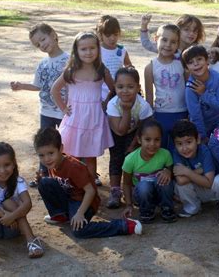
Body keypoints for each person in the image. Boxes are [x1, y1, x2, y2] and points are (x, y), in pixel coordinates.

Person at [34, 127, 142, 238]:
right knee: (44, 182)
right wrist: (41, 180)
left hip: (85, 202)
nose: (46, 159)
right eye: (41, 155)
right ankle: (61, 216)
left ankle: (124, 225)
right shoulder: (52, 163)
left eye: (50, 153)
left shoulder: (73, 167)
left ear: (61, 149)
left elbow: (90, 191)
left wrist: (80, 213)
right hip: (71, 197)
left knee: (79, 231)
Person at [51, 31, 115, 185]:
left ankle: (90, 185)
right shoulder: (71, 71)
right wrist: (63, 108)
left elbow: (113, 88)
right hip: (75, 118)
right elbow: (55, 90)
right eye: (83, 49)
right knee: (70, 153)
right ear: (76, 51)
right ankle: (71, 184)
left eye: (92, 48)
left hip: (94, 118)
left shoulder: (101, 70)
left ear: (98, 49)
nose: (88, 52)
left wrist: (105, 102)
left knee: (90, 155)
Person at [10, 23, 69, 187]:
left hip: (65, 111)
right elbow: (37, 85)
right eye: (38, 44)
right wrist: (21, 86)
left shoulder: (70, 60)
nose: (42, 45)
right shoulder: (42, 64)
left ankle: (73, 173)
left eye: (43, 39)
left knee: (69, 143)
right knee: (44, 144)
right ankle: (44, 175)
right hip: (47, 111)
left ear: (53, 34)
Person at [0, 142, 44, 266]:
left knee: (9, 203)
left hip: (13, 228)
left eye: (7, 165)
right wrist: (4, 214)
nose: (2, 170)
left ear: (14, 164)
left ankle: (31, 241)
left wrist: (12, 216)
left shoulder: (18, 181)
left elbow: (27, 203)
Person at [106, 67, 153, 208]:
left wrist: (134, 144)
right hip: (116, 132)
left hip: (136, 133)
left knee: (133, 160)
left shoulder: (143, 105)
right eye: (120, 87)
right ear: (115, 87)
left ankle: (133, 190)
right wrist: (126, 111)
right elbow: (120, 131)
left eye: (130, 87)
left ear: (138, 87)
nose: (125, 91)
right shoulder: (113, 104)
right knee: (116, 159)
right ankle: (115, 191)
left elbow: (145, 127)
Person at [122, 119, 177, 223]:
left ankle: (167, 208)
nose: (152, 144)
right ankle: (146, 211)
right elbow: (126, 184)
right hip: (142, 195)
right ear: (139, 140)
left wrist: (168, 172)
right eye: (147, 139)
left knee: (166, 180)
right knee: (144, 186)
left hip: (160, 192)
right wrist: (129, 205)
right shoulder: (130, 159)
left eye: (157, 140)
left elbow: (171, 173)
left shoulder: (165, 154)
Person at [144, 24, 188, 149]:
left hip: (182, 112)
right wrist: (150, 118)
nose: (168, 45)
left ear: (178, 44)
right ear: (155, 39)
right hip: (161, 114)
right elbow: (149, 95)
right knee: (162, 148)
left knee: (180, 147)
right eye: (164, 40)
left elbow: (189, 88)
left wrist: (190, 112)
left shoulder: (182, 64)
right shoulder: (150, 67)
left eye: (173, 42)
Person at [182, 45, 219, 142]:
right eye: (190, 62)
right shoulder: (190, 88)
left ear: (207, 60)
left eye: (199, 59)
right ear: (186, 68)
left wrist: (204, 93)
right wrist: (202, 136)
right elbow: (195, 115)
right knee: (203, 145)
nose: (196, 64)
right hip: (203, 122)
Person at [172, 120, 217, 217]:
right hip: (197, 184)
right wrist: (200, 171)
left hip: (210, 191)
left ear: (197, 139)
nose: (184, 148)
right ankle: (193, 207)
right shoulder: (176, 153)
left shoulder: (204, 151)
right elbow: (180, 180)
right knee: (179, 186)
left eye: (189, 142)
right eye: (179, 144)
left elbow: (209, 183)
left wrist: (187, 172)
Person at [96, 15, 132, 101]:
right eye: (108, 35)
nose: (112, 38)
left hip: (118, 93)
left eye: (115, 34)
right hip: (100, 94)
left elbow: (129, 69)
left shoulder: (122, 50)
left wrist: (130, 68)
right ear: (101, 34)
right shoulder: (97, 50)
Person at [140, 13, 205, 57]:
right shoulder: (168, 47)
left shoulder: (197, 50)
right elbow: (146, 43)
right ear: (177, 30)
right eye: (186, 30)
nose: (191, 33)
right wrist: (144, 26)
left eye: (195, 31)